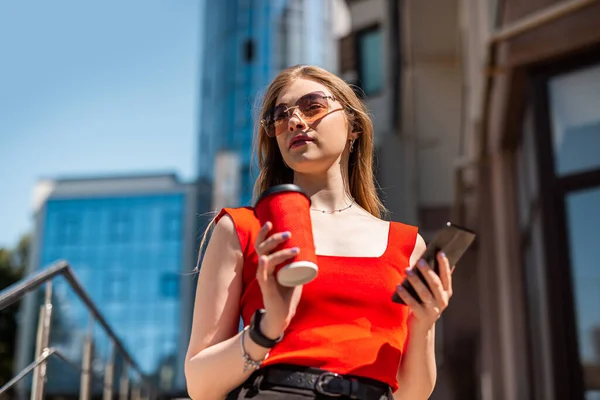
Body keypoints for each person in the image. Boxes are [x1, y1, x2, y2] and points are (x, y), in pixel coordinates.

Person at [185, 65, 454, 400]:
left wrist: (426, 322)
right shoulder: (243, 228)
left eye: (313, 107)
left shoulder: (407, 245)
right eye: (280, 117)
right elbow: (199, 384)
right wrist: (267, 329)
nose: (295, 121)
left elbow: (410, 394)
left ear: (353, 125)